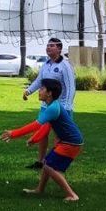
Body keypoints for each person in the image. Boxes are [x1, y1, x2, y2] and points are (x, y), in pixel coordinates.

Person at [1, 79, 82, 202]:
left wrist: (13, 133)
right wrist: (35, 139)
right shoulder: (52, 106)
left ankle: (72, 195)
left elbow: (35, 125)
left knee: (50, 167)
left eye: (42, 89)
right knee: (46, 163)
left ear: (49, 93)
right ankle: (39, 190)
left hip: (71, 143)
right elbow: (46, 126)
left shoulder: (53, 108)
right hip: (68, 142)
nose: (39, 91)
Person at [22, 38, 75, 169]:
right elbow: (40, 81)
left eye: (52, 46)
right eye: (47, 46)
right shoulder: (46, 64)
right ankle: (40, 161)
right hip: (46, 105)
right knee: (42, 132)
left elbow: (71, 87)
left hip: (61, 106)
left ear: (59, 49)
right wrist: (28, 91)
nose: (48, 48)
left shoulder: (65, 66)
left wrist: (66, 107)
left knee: (59, 136)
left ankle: (55, 163)